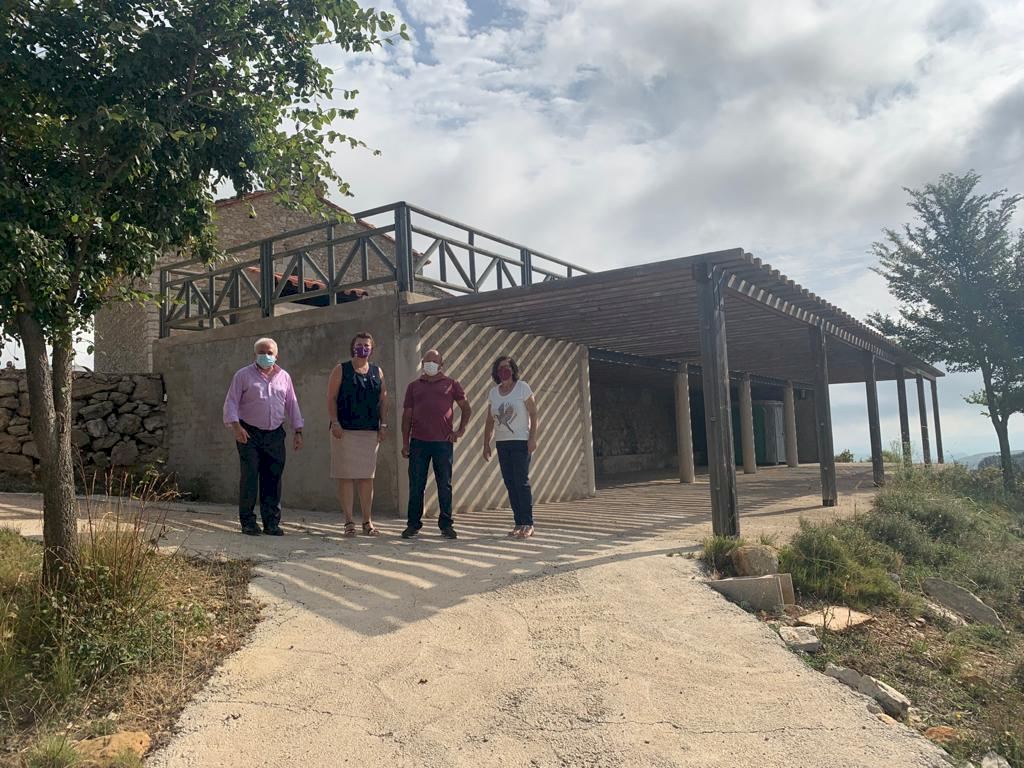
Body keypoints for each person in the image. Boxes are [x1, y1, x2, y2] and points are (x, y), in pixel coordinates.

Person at [223, 337, 304, 536]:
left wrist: (298, 430)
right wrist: (236, 427)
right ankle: (248, 522)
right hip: (249, 433)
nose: (266, 356)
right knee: (250, 476)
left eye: (269, 353)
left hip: (275, 434)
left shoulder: (284, 377)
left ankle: (271, 522)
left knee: (273, 477)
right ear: (255, 354)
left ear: (276, 356)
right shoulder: (243, 375)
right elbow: (231, 402)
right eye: (261, 352)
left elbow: (292, 403)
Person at [401, 349, 472, 539]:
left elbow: (466, 408)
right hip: (418, 443)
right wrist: (405, 443)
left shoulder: (452, 384)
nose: (430, 364)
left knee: (444, 485)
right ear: (422, 363)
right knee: (416, 485)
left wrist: (460, 431)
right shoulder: (414, 386)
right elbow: (407, 416)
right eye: (427, 361)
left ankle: (446, 525)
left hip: (443, 443)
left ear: (441, 364)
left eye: (434, 361)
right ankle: (413, 524)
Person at [326, 332, 388, 536]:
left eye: (367, 345)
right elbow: (331, 397)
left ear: (372, 349)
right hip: (344, 431)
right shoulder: (341, 369)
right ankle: (349, 522)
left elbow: (383, 399)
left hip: (369, 431)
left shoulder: (377, 372)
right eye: (359, 344)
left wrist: (383, 424)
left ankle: (367, 522)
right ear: (353, 347)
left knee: (366, 478)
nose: (363, 348)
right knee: (345, 477)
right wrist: (335, 422)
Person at [482, 355, 539, 537]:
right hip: (502, 443)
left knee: (521, 482)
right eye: (500, 368)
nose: (504, 371)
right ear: (496, 372)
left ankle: (528, 523)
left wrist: (532, 438)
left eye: (507, 367)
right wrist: (486, 443)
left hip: (521, 441)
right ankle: (518, 522)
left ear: (513, 369)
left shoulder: (522, 388)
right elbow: (490, 420)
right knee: (510, 483)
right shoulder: (493, 393)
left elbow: (533, 413)